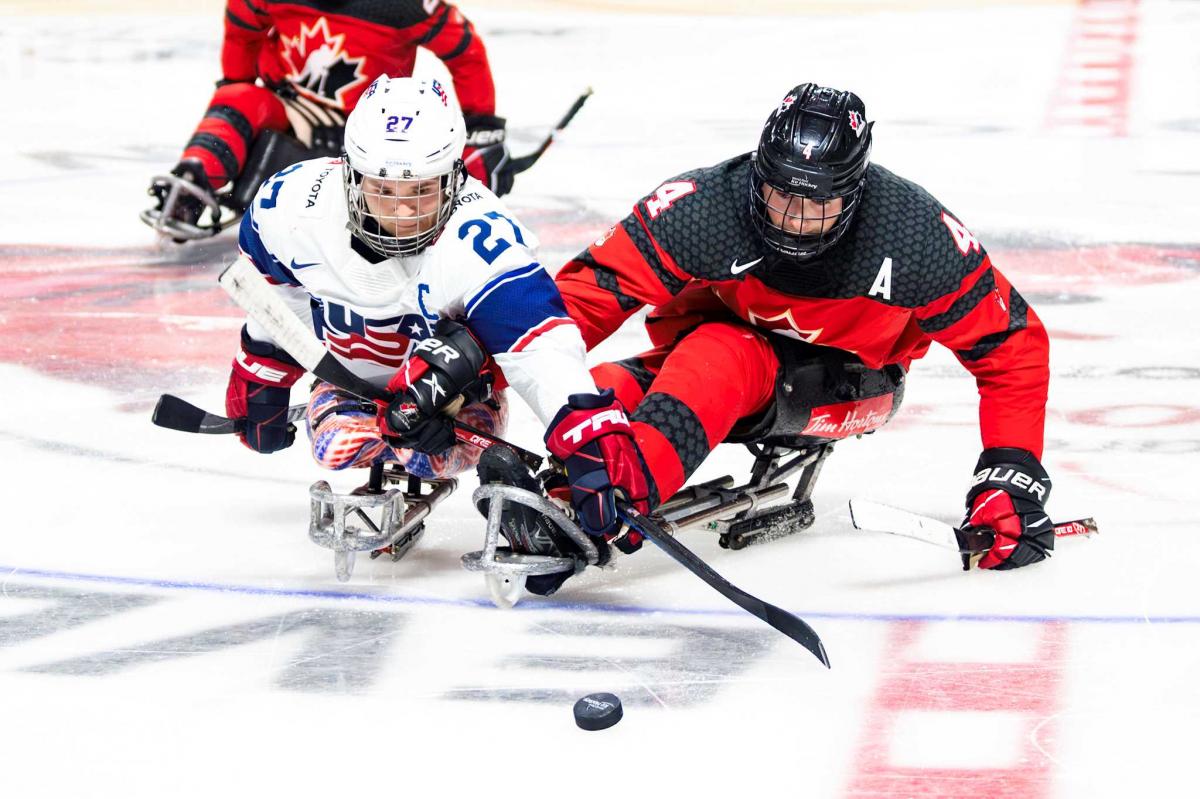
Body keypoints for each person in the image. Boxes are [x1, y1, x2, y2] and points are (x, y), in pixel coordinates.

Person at [535, 83, 1053, 584]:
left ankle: (626, 490)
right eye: (778, 193)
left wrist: (1010, 474)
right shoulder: (704, 206)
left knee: (720, 352)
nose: (792, 220)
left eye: (815, 203)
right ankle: (566, 477)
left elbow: (1011, 344)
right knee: (612, 383)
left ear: (855, 192)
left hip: (854, 379)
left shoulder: (915, 235)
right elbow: (586, 294)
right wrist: (474, 373)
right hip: (716, 359)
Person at [224, 74, 597, 534]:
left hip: (451, 406)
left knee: (429, 457)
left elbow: (541, 348)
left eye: (420, 190)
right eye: (384, 190)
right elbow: (271, 290)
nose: (402, 213)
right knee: (333, 446)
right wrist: (264, 369)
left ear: (454, 176)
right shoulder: (291, 206)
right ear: (349, 173)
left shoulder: (482, 236)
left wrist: (586, 439)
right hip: (352, 389)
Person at [143, 0, 515, 241]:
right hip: (287, 107)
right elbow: (242, 22)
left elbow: (465, 54)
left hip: (367, 129)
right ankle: (197, 180)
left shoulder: (404, 7)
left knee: (239, 94)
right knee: (238, 99)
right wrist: (238, 83)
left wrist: (480, 128)